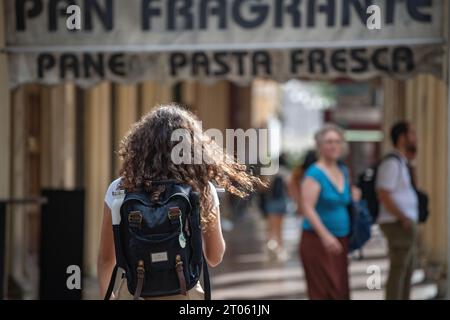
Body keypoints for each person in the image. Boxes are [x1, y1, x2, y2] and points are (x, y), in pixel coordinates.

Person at [97, 105, 262, 300]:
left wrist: (109, 296)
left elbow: (107, 259)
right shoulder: (201, 189)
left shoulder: (119, 188)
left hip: (135, 292)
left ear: (140, 146)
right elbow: (214, 256)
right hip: (185, 293)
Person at [300, 124, 358, 300]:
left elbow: (345, 199)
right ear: (320, 146)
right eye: (329, 142)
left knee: (340, 291)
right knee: (323, 292)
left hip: (341, 240)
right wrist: (325, 236)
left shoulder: (343, 171)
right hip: (318, 241)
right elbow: (306, 207)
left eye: (337, 142)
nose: (334, 146)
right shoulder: (314, 173)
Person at [376, 121, 419, 300]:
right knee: (399, 270)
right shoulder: (392, 163)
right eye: (412, 133)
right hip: (397, 223)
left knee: (407, 270)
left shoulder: (402, 162)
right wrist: (402, 217)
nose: (416, 137)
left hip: (402, 222)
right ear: (402, 137)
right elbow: (383, 194)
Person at [260, 155, 291, 261]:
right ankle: (280, 250)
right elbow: (289, 188)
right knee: (280, 228)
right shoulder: (285, 172)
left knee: (271, 228)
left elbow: (263, 188)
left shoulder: (270, 172)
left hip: (271, 202)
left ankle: (270, 249)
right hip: (282, 202)